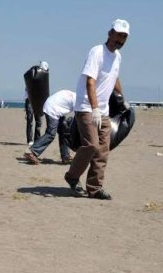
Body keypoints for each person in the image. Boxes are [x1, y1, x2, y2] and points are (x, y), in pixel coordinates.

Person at [64, 19, 130, 200]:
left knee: (102, 149)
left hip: (104, 110)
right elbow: (90, 81)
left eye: (124, 37)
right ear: (110, 33)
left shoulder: (118, 57)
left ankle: (94, 188)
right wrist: (94, 108)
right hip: (86, 107)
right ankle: (72, 176)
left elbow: (115, 78)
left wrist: (123, 99)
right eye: (118, 35)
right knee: (91, 144)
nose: (120, 40)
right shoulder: (97, 52)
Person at [23, 89, 76, 164]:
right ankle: (31, 151)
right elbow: (79, 118)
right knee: (51, 133)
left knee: (63, 132)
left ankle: (65, 156)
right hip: (52, 109)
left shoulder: (75, 96)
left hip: (55, 107)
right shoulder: (78, 100)